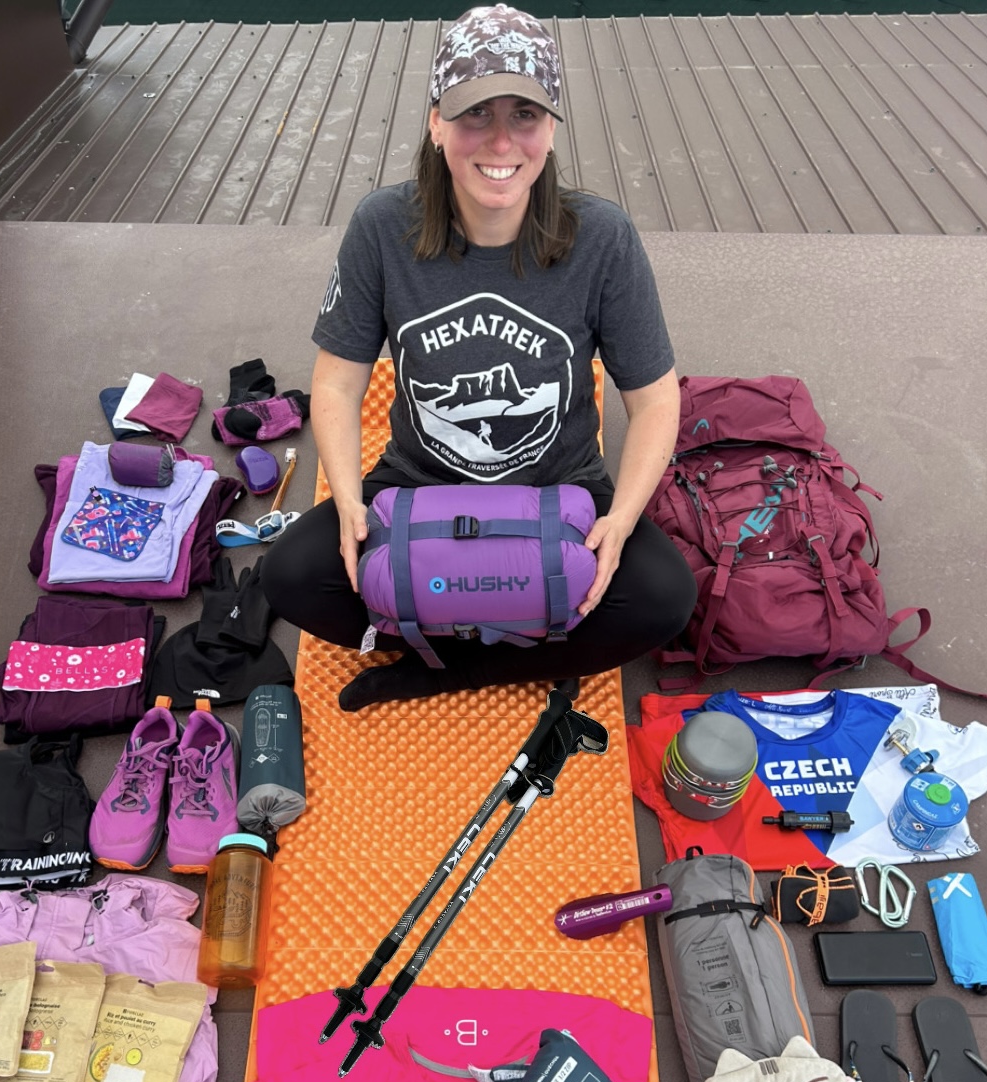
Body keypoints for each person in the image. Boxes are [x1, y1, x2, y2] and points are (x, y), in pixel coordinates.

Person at [261, 3, 696, 711]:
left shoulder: (602, 237)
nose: (500, 141)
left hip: (559, 491)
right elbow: (335, 387)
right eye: (475, 114)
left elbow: (654, 400)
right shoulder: (382, 227)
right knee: (290, 576)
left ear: (550, 127)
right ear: (436, 122)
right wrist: (348, 504)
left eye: (524, 114)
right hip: (419, 487)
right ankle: (527, 641)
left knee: (664, 598)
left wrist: (617, 523)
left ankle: (444, 666)